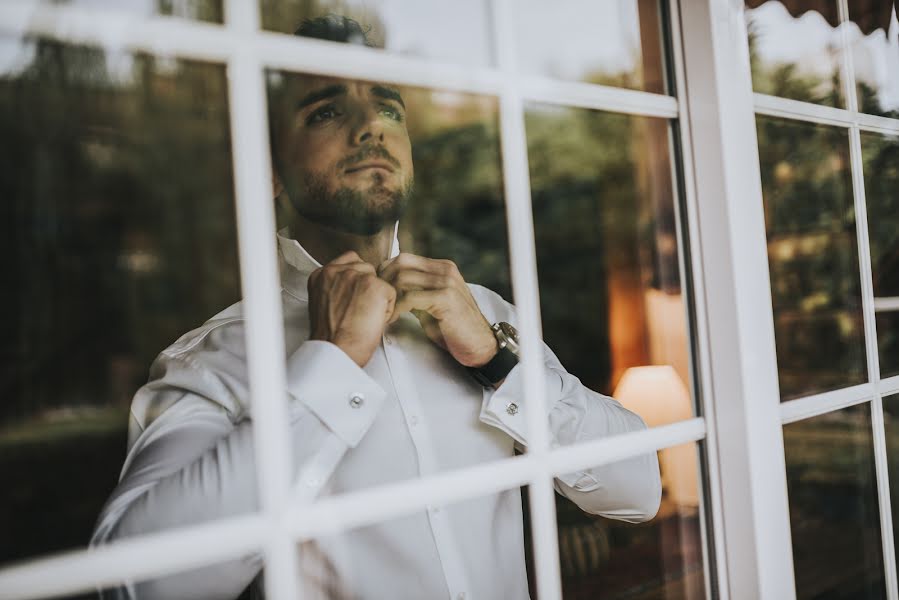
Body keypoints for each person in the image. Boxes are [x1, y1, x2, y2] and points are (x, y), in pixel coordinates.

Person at [91, 15, 661, 599]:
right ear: (269, 172)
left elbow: (639, 489)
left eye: (389, 108)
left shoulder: (486, 316)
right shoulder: (213, 360)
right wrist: (330, 363)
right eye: (326, 111)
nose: (371, 128)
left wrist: (497, 363)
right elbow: (139, 584)